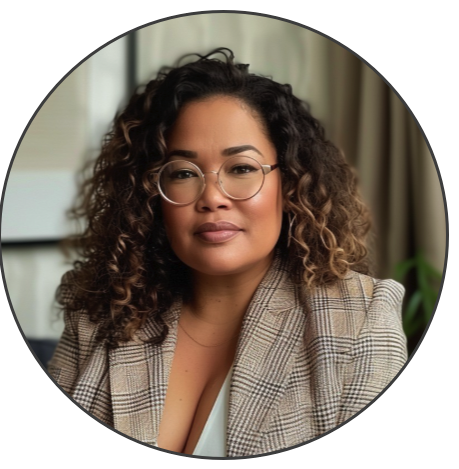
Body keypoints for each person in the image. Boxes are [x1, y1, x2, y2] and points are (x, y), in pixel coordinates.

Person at [48, 48, 408, 457]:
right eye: (183, 173)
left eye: (241, 168)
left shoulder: (360, 320)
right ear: (151, 196)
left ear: (291, 184)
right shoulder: (98, 317)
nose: (212, 197)